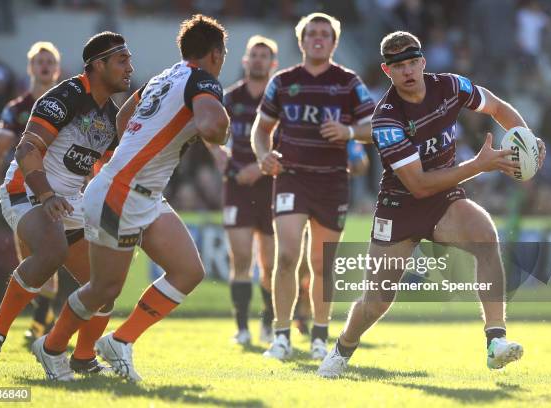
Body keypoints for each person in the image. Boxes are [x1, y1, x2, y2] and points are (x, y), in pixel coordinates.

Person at [317, 31, 547, 378]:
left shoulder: (452, 86)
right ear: (387, 70)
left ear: (423, 62)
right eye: (398, 66)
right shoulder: (386, 118)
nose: (408, 71)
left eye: (412, 62)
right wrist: (479, 166)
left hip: (444, 198)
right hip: (400, 207)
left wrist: (527, 140)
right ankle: (342, 348)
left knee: (485, 235)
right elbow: (419, 185)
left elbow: (497, 107)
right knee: (377, 301)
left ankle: (495, 341)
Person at [36, 14, 229, 382]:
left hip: (143, 194)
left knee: (189, 271)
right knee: (104, 288)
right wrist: (223, 128)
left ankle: (119, 342)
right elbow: (209, 127)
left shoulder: (164, 75)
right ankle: (51, 348)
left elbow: (124, 117)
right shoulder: (204, 80)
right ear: (217, 55)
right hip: (119, 195)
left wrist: (139, 157)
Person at [0, 32, 134, 380]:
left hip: (68, 202)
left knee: (104, 285)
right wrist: (47, 195)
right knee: (52, 250)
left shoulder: (111, 115)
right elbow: (26, 149)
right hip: (27, 189)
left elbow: (103, 171)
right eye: (122, 60)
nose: (130, 68)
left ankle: (83, 358)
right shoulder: (65, 96)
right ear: (98, 65)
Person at [252, 12, 375, 360]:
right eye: (312, 34)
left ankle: (320, 337)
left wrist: (349, 133)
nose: (318, 38)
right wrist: (263, 156)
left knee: (322, 263)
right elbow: (261, 130)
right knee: (287, 255)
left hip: (333, 181)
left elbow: (375, 127)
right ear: (301, 41)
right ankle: (281, 336)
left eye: (325, 34)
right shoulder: (283, 80)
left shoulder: (349, 83)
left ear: (334, 43)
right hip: (291, 176)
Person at [0, 41, 62, 342]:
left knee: (47, 252)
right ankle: (45, 319)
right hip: (23, 192)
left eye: (49, 60)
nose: (44, 65)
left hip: (58, 189)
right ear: (31, 68)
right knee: (30, 257)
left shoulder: (66, 105)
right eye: (39, 60)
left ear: (56, 68)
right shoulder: (17, 109)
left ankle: (41, 325)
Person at [213, 35, 278, 345]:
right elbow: (206, 130)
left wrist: (261, 167)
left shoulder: (278, 99)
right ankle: (241, 328)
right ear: (245, 60)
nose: (258, 60)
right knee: (241, 259)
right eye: (254, 54)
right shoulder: (229, 97)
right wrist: (222, 161)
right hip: (237, 185)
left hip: (272, 185)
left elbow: (292, 140)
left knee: (270, 263)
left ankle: (268, 323)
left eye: (264, 56)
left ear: (273, 64)